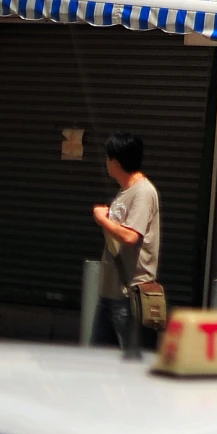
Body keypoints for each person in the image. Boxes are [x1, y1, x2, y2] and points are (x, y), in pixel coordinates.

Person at [91, 131, 160, 354]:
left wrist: (102, 219)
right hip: (110, 294)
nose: (106, 163)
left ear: (116, 162)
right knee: (98, 365)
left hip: (130, 297)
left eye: (107, 158)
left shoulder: (143, 192)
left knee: (134, 367)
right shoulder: (125, 192)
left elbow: (131, 236)